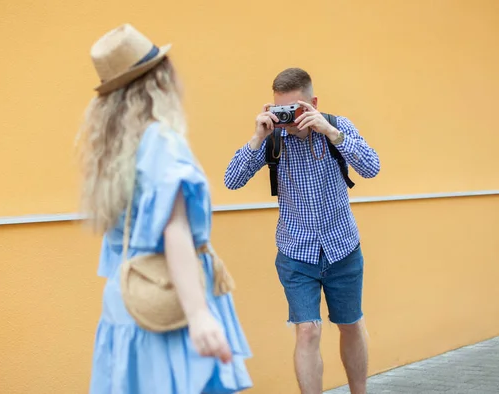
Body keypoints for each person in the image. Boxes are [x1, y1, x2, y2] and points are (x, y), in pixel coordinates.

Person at [76, 24, 252, 394]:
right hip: (169, 305)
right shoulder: (161, 141)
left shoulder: (111, 151)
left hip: (127, 302)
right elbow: (175, 231)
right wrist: (199, 314)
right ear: (159, 79)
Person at [224, 68, 380, 394]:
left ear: (314, 103)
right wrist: (257, 137)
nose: (291, 120)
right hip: (296, 252)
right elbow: (231, 181)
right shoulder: (273, 140)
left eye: (296, 110)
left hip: (342, 247)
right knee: (307, 331)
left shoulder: (337, 126)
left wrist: (330, 131)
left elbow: (372, 167)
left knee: (350, 325)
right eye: (282, 111)